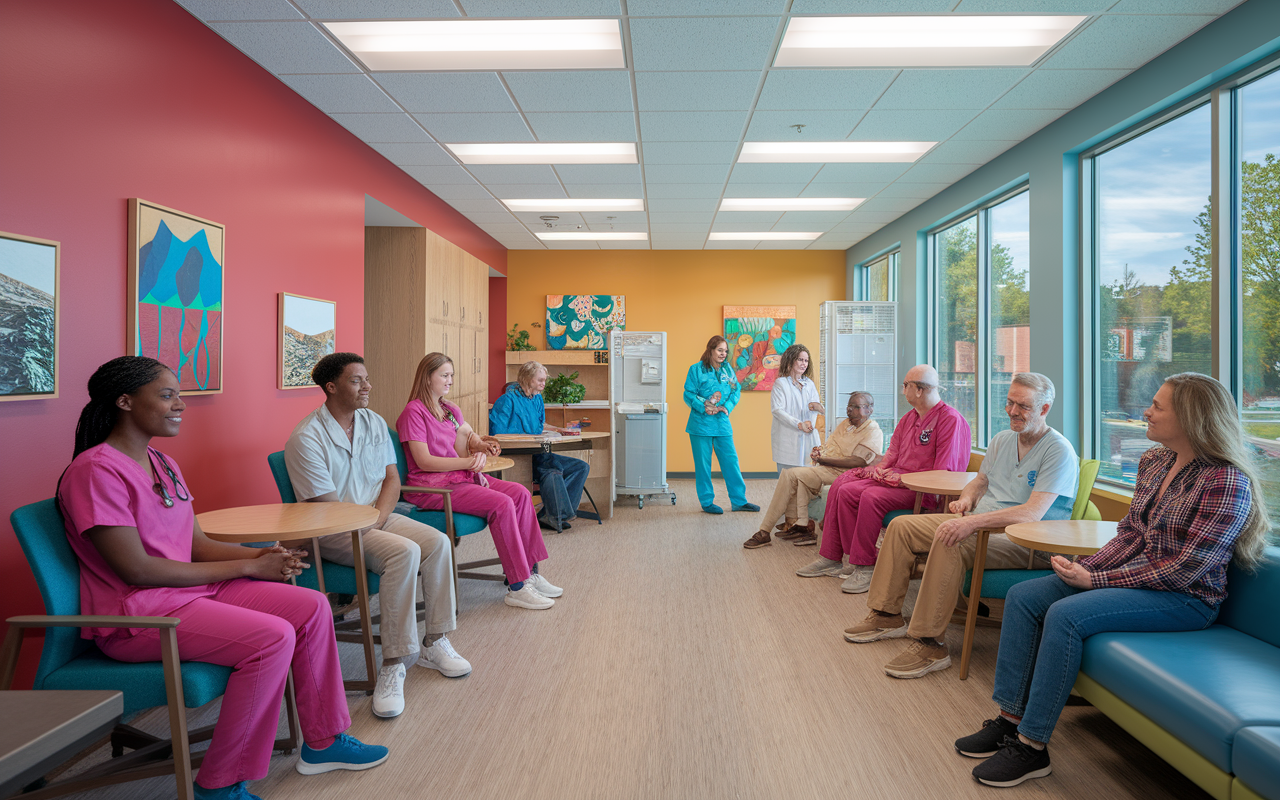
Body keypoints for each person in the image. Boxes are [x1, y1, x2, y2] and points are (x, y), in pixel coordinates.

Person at [57, 356, 387, 800]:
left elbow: (195, 545)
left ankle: (324, 742)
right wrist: (249, 566)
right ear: (125, 401)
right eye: (168, 395)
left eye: (180, 395)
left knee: (311, 605)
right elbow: (136, 569)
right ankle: (222, 784)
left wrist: (262, 554)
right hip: (138, 616)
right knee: (272, 638)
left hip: (190, 595)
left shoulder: (161, 463)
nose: (181, 405)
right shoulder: (95, 471)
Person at [953, 372, 1268, 787]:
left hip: (1186, 599)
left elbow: (1184, 568)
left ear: (1190, 418)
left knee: (1065, 615)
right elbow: (1132, 534)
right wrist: (1090, 569)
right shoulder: (1155, 461)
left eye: (1157, 406)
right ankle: (1010, 718)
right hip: (1135, 581)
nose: (1145, 412)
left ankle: (1032, 747)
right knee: (1026, 595)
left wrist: (1096, 582)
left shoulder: (1226, 481)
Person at [843, 373, 1079, 682]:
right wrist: (966, 501)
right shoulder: (1002, 440)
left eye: (1022, 405)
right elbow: (979, 482)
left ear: (1045, 409)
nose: (1012, 411)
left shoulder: (1058, 450)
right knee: (902, 527)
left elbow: (1031, 514)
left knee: (950, 540)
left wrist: (972, 523)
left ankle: (930, 644)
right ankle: (887, 615)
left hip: (1029, 541)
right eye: (1009, 402)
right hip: (982, 524)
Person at [285, 352, 471, 720]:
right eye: (357, 381)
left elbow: (391, 479)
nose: (367, 386)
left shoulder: (373, 421)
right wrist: (367, 523)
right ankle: (394, 662)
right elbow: (330, 508)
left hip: (376, 516)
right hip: (333, 529)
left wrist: (377, 519)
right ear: (331, 387)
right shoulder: (306, 438)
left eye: (366, 379)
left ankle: (435, 641)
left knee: (437, 543)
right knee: (403, 553)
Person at [397, 352, 562, 611]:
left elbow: (466, 434)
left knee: (519, 493)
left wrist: (481, 446)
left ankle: (530, 573)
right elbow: (424, 461)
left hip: (461, 479)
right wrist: (468, 464)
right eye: (444, 375)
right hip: (432, 487)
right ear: (427, 378)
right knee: (502, 504)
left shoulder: (449, 409)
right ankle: (518, 587)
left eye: (451, 375)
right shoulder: (413, 413)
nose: (449, 380)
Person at [796, 365, 971, 588]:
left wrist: (899, 479)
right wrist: (880, 470)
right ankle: (836, 558)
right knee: (843, 485)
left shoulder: (950, 420)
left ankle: (865, 565)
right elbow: (892, 453)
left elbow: (943, 475)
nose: (903, 390)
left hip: (924, 492)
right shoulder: (910, 418)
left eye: (906, 385)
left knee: (871, 496)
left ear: (919, 390)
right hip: (898, 481)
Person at [744, 391, 883, 549]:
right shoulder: (846, 424)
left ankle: (764, 530)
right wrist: (819, 453)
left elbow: (857, 461)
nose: (850, 410)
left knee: (790, 475)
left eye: (856, 407)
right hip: (827, 468)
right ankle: (802, 526)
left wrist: (823, 460)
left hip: (847, 475)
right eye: (849, 406)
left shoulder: (873, 431)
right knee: (800, 479)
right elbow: (831, 446)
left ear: (869, 409)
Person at [489, 360, 589, 532]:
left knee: (581, 467)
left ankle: (553, 514)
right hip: (519, 457)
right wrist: (524, 439)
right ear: (528, 379)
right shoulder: (506, 401)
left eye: (544, 380)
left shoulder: (536, 399)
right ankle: (557, 514)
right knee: (552, 468)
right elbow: (496, 434)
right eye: (540, 380)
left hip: (539, 453)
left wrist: (559, 429)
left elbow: (540, 425)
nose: (543, 384)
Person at [684, 335, 761, 515]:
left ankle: (739, 501)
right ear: (710, 349)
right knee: (703, 465)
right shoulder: (696, 370)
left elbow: (736, 390)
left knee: (731, 461)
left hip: (721, 423)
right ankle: (707, 502)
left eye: (726, 351)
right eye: (720, 350)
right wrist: (705, 406)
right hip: (700, 425)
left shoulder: (728, 370)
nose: (723, 354)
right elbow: (688, 393)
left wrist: (727, 407)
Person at [770, 344, 823, 473]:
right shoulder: (781, 383)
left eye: (806, 360)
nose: (804, 364)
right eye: (800, 359)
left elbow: (814, 407)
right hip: (787, 439)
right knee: (787, 480)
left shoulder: (809, 384)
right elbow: (777, 410)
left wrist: (811, 421)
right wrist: (799, 424)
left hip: (809, 437)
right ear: (790, 360)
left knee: (808, 477)